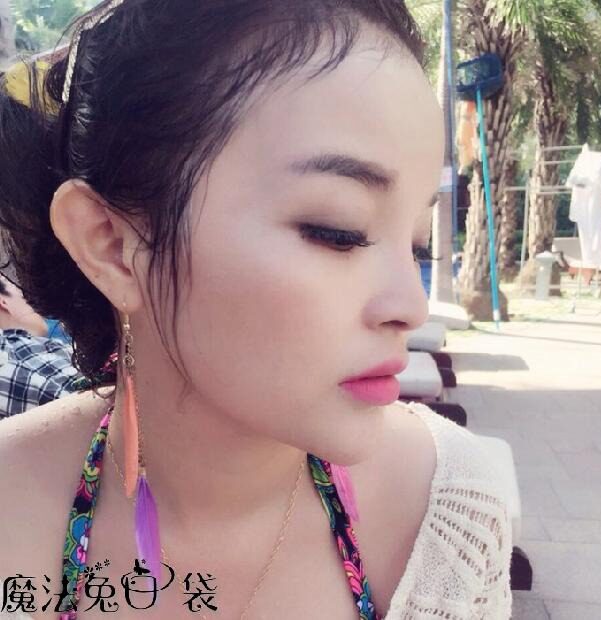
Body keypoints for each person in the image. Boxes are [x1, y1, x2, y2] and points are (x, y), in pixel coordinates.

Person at [0, 1, 513, 618]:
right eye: (339, 231)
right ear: (110, 245)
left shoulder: (446, 515)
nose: (411, 305)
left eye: (417, 242)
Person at [0, 275, 78, 418]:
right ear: (3, 302)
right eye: (25, 297)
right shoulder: (21, 357)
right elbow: (106, 403)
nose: (37, 309)